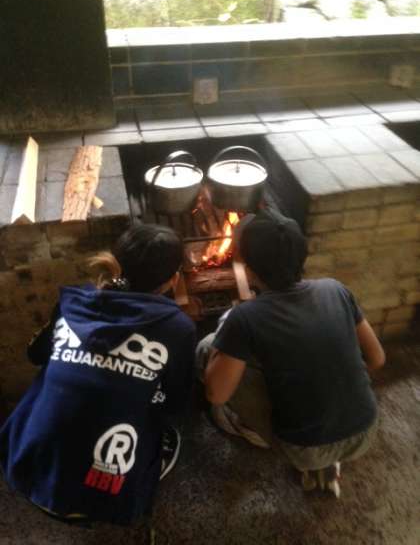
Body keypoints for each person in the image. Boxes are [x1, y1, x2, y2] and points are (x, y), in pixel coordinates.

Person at [0, 224, 196, 525]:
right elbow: (176, 402)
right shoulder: (178, 329)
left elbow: (35, 354)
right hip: (103, 499)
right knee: (155, 414)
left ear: (115, 262)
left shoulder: (73, 304)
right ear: (173, 279)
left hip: (25, 466)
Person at [202, 210, 385, 497]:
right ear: (302, 256)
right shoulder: (336, 289)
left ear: (247, 266)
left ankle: (263, 437)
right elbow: (377, 359)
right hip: (365, 430)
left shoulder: (245, 317)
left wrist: (226, 336)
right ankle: (325, 458)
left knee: (207, 348)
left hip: (304, 447)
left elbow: (216, 395)